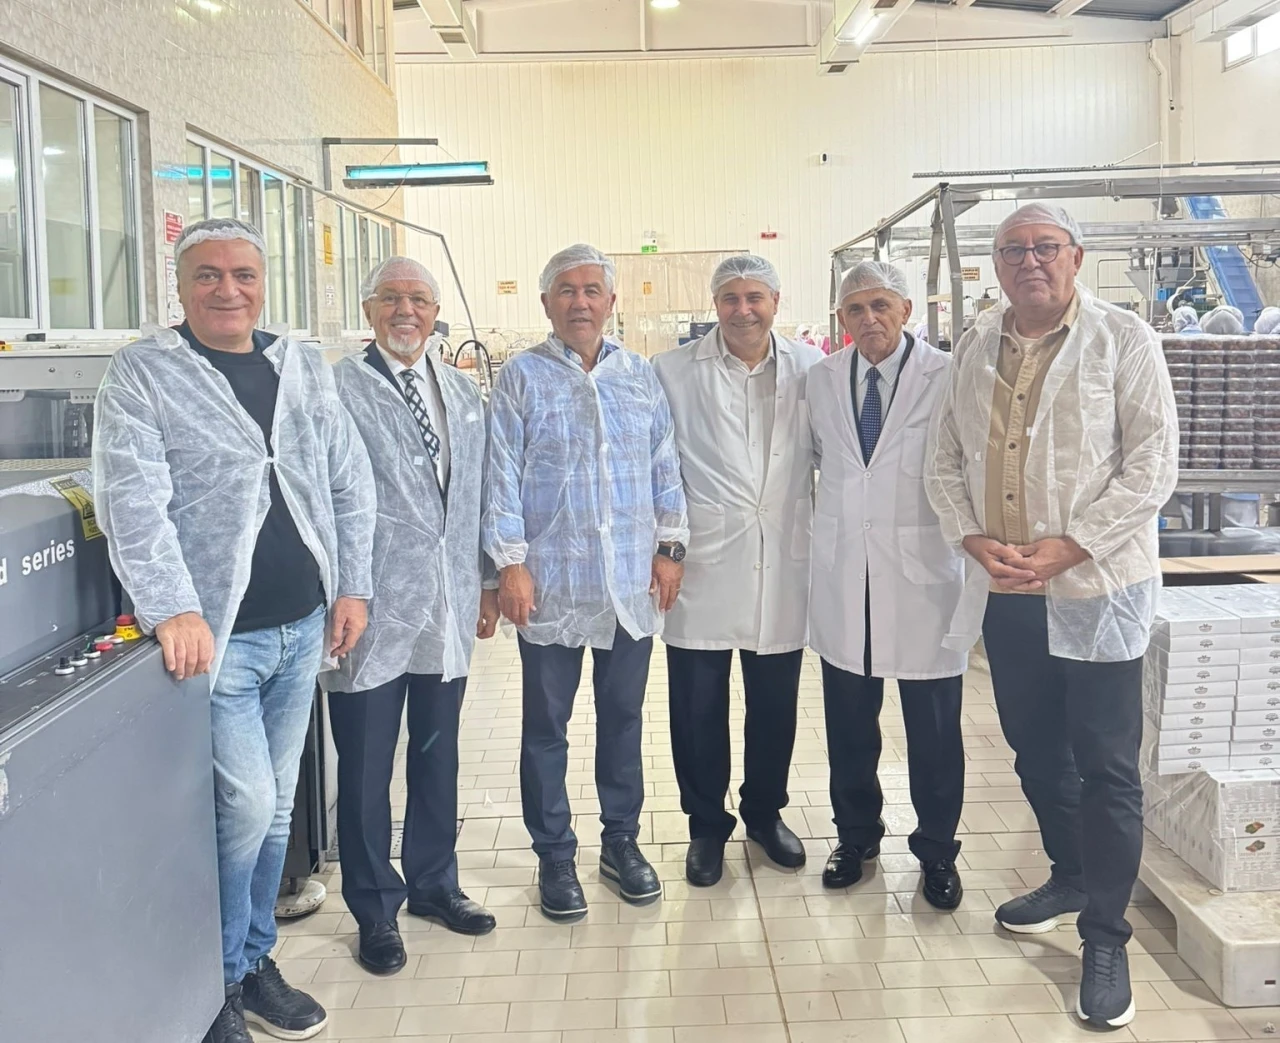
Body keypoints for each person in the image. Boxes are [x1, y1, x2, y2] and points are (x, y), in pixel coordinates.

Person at [92, 218, 377, 1043]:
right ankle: (212, 980)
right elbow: (132, 499)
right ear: (179, 286)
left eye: (243, 274)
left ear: (263, 282)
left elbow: (346, 478)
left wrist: (352, 584)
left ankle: (252, 961)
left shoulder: (299, 366)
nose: (228, 290)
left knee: (277, 808)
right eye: (208, 275)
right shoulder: (144, 372)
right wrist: (172, 604)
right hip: (218, 636)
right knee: (246, 805)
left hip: (302, 625)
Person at [926, 203, 1178, 1031]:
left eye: (1045, 247)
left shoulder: (1124, 339)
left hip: (1096, 588)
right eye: (1012, 249)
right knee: (1035, 750)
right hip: (1010, 590)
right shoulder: (975, 345)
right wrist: (971, 537)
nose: (1028, 260)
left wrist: (1072, 545)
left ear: (1076, 256)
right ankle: (1071, 873)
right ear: (995, 264)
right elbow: (943, 458)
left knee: (1106, 765)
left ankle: (1106, 935)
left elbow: (1153, 465)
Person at [483, 244, 689, 922]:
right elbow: (500, 476)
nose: (580, 302)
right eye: (566, 290)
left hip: (628, 582)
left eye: (592, 289)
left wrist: (671, 547)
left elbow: (664, 466)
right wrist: (510, 562)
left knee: (623, 720)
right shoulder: (521, 377)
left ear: (611, 301)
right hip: (550, 585)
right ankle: (554, 854)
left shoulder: (639, 376)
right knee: (546, 726)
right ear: (546, 302)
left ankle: (621, 842)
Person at [324, 257, 499, 976]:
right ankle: (374, 908)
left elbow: (478, 490)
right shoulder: (337, 389)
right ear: (368, 310)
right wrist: (345, 587)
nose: (406, 311)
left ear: (435, 311)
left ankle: (434, 882)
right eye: (391, 298)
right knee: (366, 765)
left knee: (436, 751)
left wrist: (486, 579)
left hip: (445, 601)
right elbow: (324, 496)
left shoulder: (459, 391)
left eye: (419, 299)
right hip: (367, 605)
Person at [652, 256, 823, 886]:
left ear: (776, 300)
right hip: (701, 559)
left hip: (783, 557)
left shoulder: (812, 368)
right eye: (730, 298)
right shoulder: (671, 371)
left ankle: (764, 814)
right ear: (715, 304)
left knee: (775, 703)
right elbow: (658, 467)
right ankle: (705, 826)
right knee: (696, 707)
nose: (743, 309)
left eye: (754, 297)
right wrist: (665, 548)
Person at [807, 261, 967, 910]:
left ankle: (937, 852)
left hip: (924, 573)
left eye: (880, 305)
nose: (868, 318)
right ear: (841, 319)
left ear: (906, 310)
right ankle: (855, 838)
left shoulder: (947, 375)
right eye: (855, 308)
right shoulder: (821, 379)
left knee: (934, 732)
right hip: (847, 571)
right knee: (849, 727)